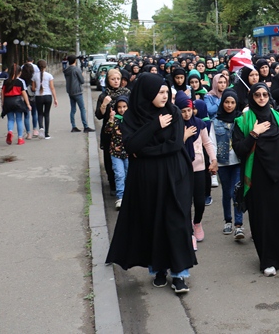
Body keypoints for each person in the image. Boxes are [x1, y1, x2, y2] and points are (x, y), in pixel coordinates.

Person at [105, 73, 197, 294]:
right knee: (152, 222)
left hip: (175, 176)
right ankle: (158, 270)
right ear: (148, 93)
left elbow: (175, 145)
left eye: (166, 92)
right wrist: (154, 125)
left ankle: (180, 274)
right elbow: (131, 145)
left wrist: (146, 151)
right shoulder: (134, 116)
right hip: (146, 180)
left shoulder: (173, 112)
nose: (165, 96)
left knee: (176, 222)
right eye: (160, 92)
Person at [232, 82, 279, 276]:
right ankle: (268, 260)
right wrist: (254, 134)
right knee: (263, 221)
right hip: (258, 180)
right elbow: (240, 150)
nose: (262, 99)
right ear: (251, 97)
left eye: (265, 95)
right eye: (257, 95)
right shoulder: (243, 121)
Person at [175, 92, 217, 248]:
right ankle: (189, 234)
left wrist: (213, 160)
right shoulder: (175, 126)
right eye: (183, 111)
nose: (186, 114)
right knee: (185, 203)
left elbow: (207, 143)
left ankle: (197, 223)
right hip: (182, 170)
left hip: (199, 168)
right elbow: (173, 147)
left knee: (200, 202)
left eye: (189, 110)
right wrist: (184, 136)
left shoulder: (199, 123)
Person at [210, 89, 245, 239]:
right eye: (226, 102)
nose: (229, 105)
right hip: (223, 163)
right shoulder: (215, 121)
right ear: (222, 102)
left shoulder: (240, 120)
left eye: (232, 102)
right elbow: (212, 142)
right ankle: (228, 221)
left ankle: (239, 224)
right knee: (226, 192)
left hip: (237, 161)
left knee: (236, 191)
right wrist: (214, 161)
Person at [95, 68, 130, 190]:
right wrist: (104, 104)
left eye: (118, 79)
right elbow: (99, 116)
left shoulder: (126, 93)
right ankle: (112, 183)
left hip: (125, 129)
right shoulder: (104, 95)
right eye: (113, 79)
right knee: (109, 158)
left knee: (126, 158)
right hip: (109, 130)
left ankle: (125, 184)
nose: (116, 81)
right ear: (107, 80)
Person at [105, 96, 129, 209]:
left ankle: (129, 196)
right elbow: (107, 131)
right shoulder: (114, 119)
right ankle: (120, 197)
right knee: (119, 174)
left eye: (124, 107)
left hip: (129, 152)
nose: (122, 109)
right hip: (116, 153)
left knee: (128, 174)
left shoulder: (131, 119)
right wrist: (110, 119)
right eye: (119, 107)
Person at [1, 63, 31, 145]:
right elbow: (24, 94)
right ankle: (20, 138)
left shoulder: (6, 81)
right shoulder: (20, 82)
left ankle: (10, 131)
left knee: (10, 119)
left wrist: (2, 103)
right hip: (17, 101)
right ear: (19, 72)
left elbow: (2, 93)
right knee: (19, 119)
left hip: (8, 101)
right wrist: (28, 104)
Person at [64, 55, 94, 133]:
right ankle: (85, 126)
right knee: (82, 109)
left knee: (73, 109)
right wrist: (82, 75)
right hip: (77, 91)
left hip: (70, 91)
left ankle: (73, 126)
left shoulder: (66, 70)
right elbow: (82, 81)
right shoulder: (76, 69)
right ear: (75, 61)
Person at [33, 60, 57, 139]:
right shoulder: (49, 75)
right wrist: (55, 99)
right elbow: (52, 88)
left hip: (38, 96)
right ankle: (46, 134)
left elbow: (33, 88)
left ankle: (41, 128)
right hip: (48, 96)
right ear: (45, 66)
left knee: (39, 113)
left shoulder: (34, 76)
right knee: (47, 114)